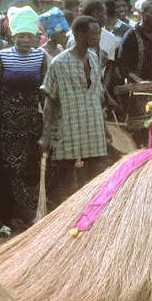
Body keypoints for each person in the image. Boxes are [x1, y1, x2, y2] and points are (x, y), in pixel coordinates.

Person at [40, 16, 110, 207]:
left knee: (97, 172)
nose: (98, 37)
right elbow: (50, 100)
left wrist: (104, 128)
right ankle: (68, 216)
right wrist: (46, 134)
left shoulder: (94, 58)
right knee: (67, 177)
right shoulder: (59, 63)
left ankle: (94, 213)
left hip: (93, 125)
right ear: (80, 34)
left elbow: (97, 95)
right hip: (69, 126)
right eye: (94, 33)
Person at [0, 6, 47, 225]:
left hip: (32, 120)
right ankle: (14, 212)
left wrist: (46, 125)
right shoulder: (2, 56)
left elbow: (43, 93)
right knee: (11, 167)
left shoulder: (41, 57)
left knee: (32, 166)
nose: (25, 40)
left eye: (29, 36)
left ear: (35, 37)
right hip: (8, 120)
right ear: (14, 36)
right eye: (21, 36)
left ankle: (30, 213)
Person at [118, 0, 152, 83]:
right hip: (135, 83)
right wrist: (139, 81)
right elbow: (123, 65)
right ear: (142, 13)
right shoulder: (131, 35)